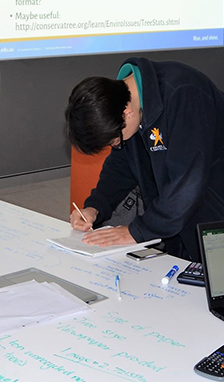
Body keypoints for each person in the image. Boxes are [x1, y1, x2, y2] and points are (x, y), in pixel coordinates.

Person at [65, 57, 224, 261]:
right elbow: (121, 166)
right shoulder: (125, 104)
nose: (116, 146)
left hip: (214, 211)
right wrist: (94, 207)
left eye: (114, 141)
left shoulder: (184, 93)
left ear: (126, 114)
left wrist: (136, 232)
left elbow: (187, 184)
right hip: (180, 218)